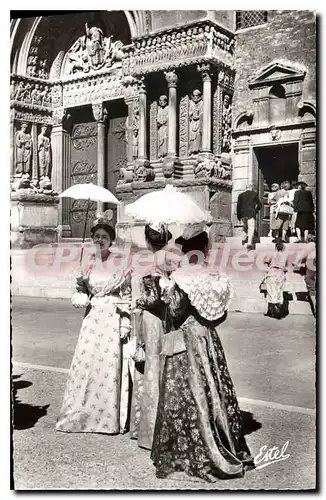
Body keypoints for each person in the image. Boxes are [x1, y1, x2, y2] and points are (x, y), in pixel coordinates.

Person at [143, 228, 255, 481]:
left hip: (186, 340)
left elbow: (175, 313)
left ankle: (192, 451)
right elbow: (220, 314)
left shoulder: (180, 277)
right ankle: (224, 441)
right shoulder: (215, 276)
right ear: (206, 250)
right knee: (213, 388)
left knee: (186, 391)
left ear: (186, 250)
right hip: (208, 338)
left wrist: (164, 291)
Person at [56, 215, 132, 435]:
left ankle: (106, 420)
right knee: (86, 364)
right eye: (96, 236)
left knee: (107, 366)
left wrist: (125, 321)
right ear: (92, 239)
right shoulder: (86, 263)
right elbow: (80, 291)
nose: (100, 240)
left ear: (111, 241)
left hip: (111, 318)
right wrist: (79, 292)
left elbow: (127, 295)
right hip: (92, 319)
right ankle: (81, 414)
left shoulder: (120, 263)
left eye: (104, 237)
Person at [130, 222, 174, 450]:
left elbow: (151, 298)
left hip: (151, 318)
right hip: (169, 317)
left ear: (148, 241)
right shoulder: (173, 259)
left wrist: (137, 301)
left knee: (150, 365)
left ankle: (146, 427)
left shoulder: (148, 261)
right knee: (165, 365)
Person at [262, 241, 289, 319]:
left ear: (275, 247)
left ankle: (275, 310)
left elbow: (266, 264)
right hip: (280, 275)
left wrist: (266, 273)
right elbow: (286, 268)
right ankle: (276, 309)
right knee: (279, 293)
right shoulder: (284, 256)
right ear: (283, 248)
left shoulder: (271, 254)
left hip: (271, 275)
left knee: (271, 293)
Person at [236, 183, 262, 250]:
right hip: (251, 213)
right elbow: (259, 204)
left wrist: (239, 216)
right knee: (251, 228)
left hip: (243, 214)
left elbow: (238, 206)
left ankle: (243, 238)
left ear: (246, 188)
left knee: (245, 227)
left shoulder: (241, 195)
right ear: (251, 188)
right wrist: (256, 210)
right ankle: (249, 243)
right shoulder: (254, 194)